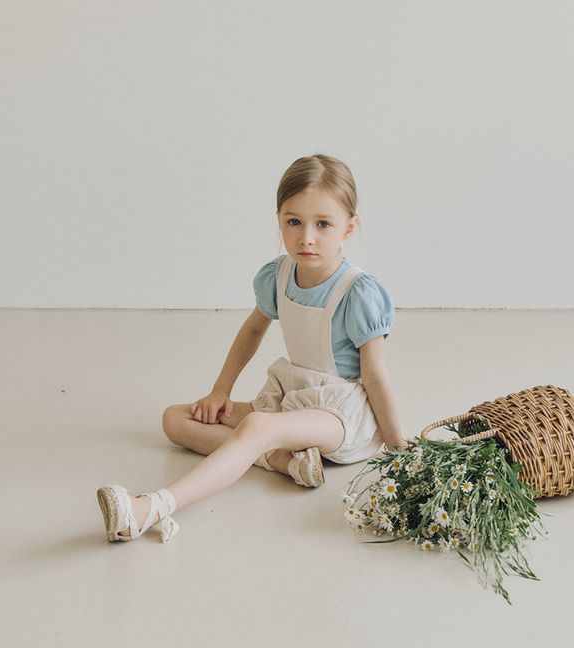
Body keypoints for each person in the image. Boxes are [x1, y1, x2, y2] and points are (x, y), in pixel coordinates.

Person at [96, 153, 407, 543]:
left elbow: (375, 376)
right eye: (293, 222)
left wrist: (398, 448)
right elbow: (251, 331)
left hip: (340, 416)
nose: (306, 237)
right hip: (295, 398)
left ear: (349, 227)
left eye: (323, 224)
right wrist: (220, 391)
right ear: (279, 219)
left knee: (257, 425)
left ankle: (151, 507)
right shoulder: (278, 275)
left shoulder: (358, 292)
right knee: (176, 419)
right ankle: (281, 460)